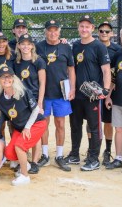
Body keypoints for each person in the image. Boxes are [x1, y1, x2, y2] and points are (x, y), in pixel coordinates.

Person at [65, 15, 111, 171]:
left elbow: (106, 70)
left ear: (92, 28)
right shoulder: (75, 45)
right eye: (82, 26)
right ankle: (74, 154)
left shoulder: (99, 46)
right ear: (78, 28)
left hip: (93, 95)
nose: (84, 29)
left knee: (94, 127)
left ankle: (93, 158)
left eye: (87, 26)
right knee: (75, 125)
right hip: (76, 94)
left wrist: (104, 90)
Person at [36, 20, 75, 171]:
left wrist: (72, 88)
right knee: (43, 124)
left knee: (60, 123)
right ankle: (45, 155)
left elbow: (71, 69)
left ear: (59, 31)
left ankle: (59, 155)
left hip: (61, 93)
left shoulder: (66, 47)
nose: (52, 33)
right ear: (45, 31)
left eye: (55, 30)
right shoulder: (39, 47)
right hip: (44, 93)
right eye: (49, 30)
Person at [0, 66, 46, 186]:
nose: (6, 79)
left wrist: (27, 127)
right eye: (3, 77)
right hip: (19, 128)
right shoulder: (0, 97)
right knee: (9, 152)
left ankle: (25, 176)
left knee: (19, 146)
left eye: (9, 77)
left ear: (14, 79)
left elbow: (36, 110)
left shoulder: (23, 92)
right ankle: (26, 165)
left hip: (36, 123)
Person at [14, 34, 46, 173]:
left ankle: (35, 162)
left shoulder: (38, 61)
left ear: (32, 46)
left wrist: (39, 102)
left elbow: (42, 82)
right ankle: (22, 159)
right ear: (19, 46)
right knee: (22, 129)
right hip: (20, 101)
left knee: (34, 131)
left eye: (28, 44)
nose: (25, 46)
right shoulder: (16, 62)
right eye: (23, 44)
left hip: (34, 99)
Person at [97, 21, 121, 166]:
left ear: (111, 33)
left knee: (108, 121)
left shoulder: (117, 50)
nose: (104, 33)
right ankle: (92, 150)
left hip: (109, 91)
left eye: (107, 31)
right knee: (92, 122)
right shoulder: (93, 46)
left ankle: (107, 150)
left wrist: (110, 92)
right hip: (94, 89)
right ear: (98, 32)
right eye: (101, 31)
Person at [105, 26, 122, 171]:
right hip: (118, 100)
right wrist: (108, 96)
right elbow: (112, 77)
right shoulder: (118, 54)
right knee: (118, 130)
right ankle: (118, 158)